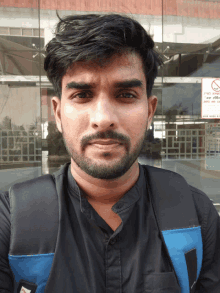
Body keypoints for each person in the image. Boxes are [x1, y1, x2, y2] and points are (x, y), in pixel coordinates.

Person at [0, 13, 220, 293]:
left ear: (150, 111)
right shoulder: (11, 222)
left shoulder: (197, 216)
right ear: (57, 113)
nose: (103, 118)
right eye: (82, 95)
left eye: (126, 94)